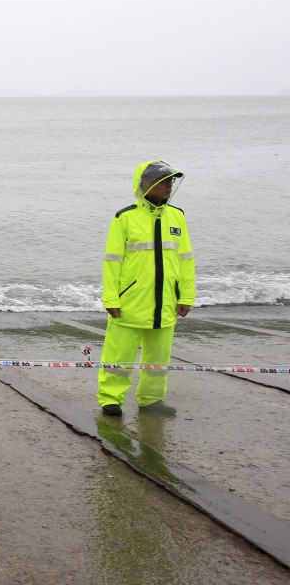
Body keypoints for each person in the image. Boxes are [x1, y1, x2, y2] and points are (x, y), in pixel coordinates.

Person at [97, 160, 195, 417]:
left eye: (171, 180)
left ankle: (151, 399)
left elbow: (186, 261)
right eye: (163, 181)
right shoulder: (124, 218)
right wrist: (111, 298)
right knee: (119, 355)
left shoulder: (178, 216)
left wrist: (186, 296)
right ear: (145, 184)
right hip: (129, 302)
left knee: (159, 359)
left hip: (165, 303)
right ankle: (110, 398)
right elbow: (112, 262)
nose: (168, 185)